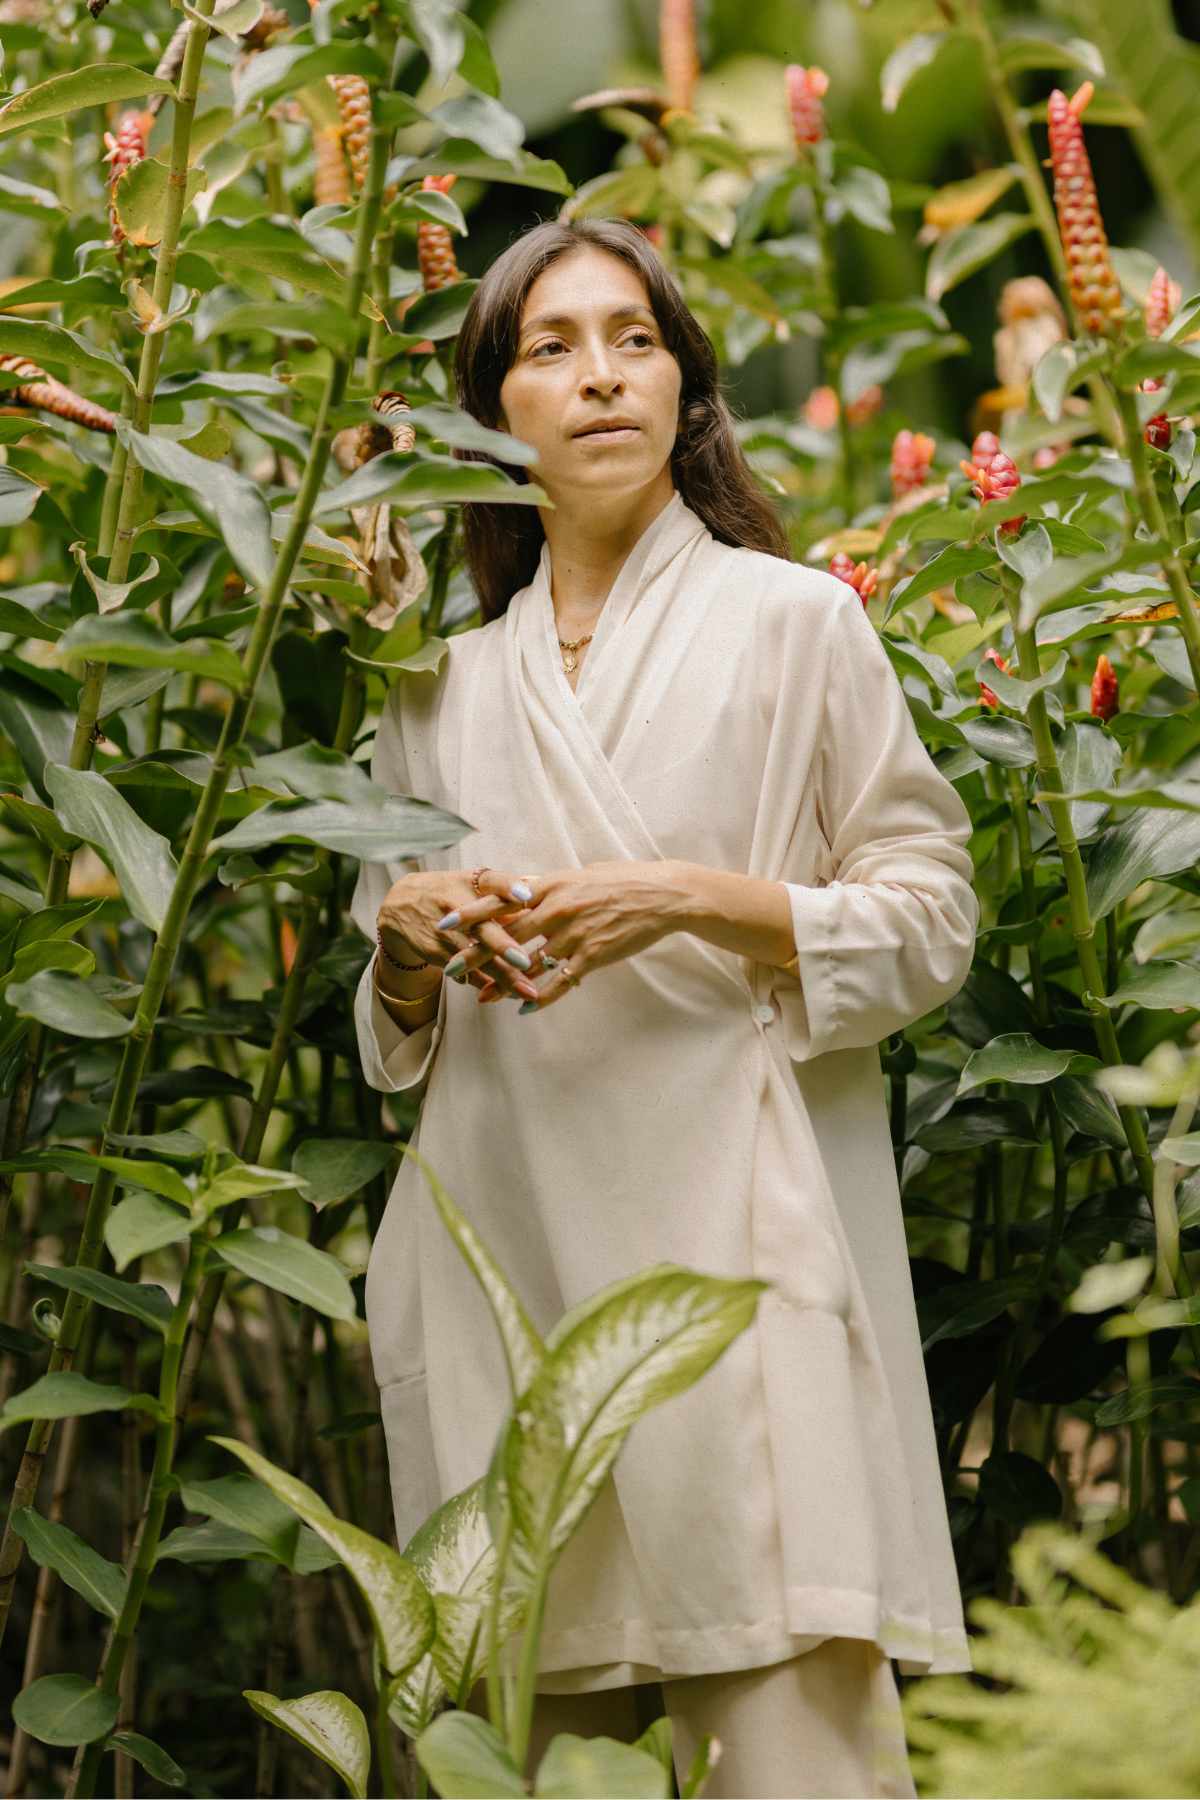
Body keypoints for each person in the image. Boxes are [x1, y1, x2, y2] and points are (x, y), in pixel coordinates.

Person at [348, 217, 980, 1798]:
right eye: (549, 348)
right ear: (494, 412)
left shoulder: (794, 622)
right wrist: (411, 951)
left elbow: (932, 915)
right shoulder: (437, 689)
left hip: (731, 1258)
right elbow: (387, 1037)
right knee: (531, 1750)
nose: (600, 375)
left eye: (633, 337)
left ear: (686, 385)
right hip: (507, 1263)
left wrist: (692, 896)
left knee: (787, 1741)